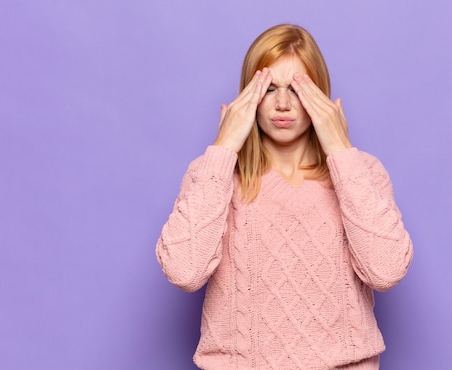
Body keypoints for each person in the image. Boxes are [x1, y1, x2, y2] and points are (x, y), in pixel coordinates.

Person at [156, 24, 413, 370]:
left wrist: (339, 149)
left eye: (297, 89)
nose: (282, 104)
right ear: (248, 95)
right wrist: (224, 147)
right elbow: (185, 272)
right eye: (269, 89)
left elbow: (386, 271)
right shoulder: (212, 174)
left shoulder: (363, 171)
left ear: (320, 96)